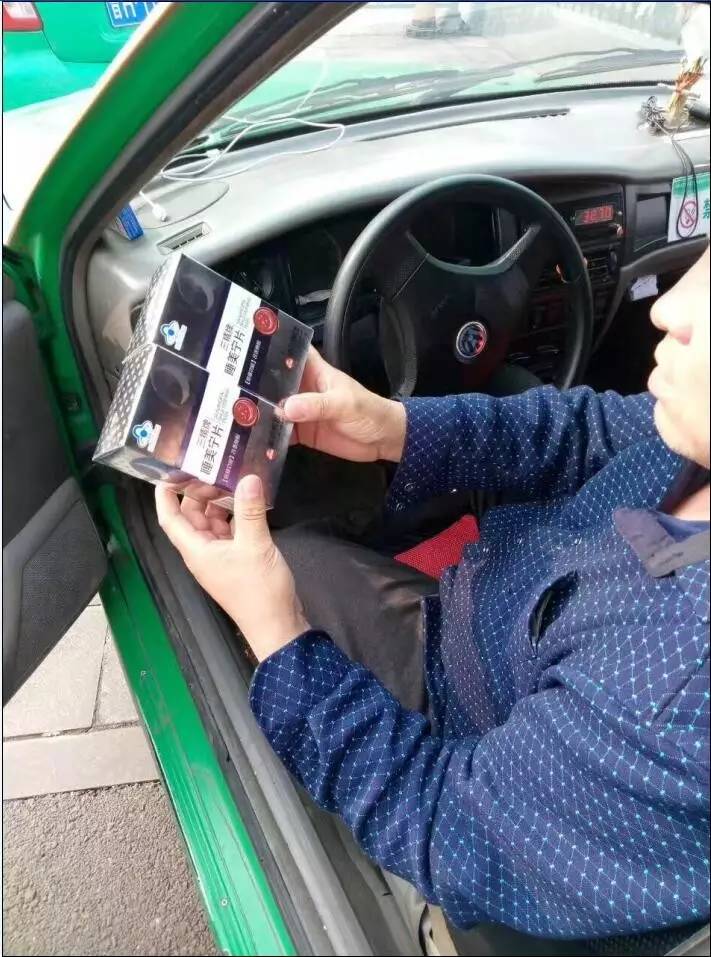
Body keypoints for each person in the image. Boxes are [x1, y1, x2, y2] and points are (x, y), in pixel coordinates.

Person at [156, 245, 710, 940]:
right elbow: (587, 434)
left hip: (468, 734)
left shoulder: (679, 692)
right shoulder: (695, 432)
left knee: (294, 562)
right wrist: (394, 427)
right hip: (507, 620)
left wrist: (276, 633)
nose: (669, 306)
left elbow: (450, 827)